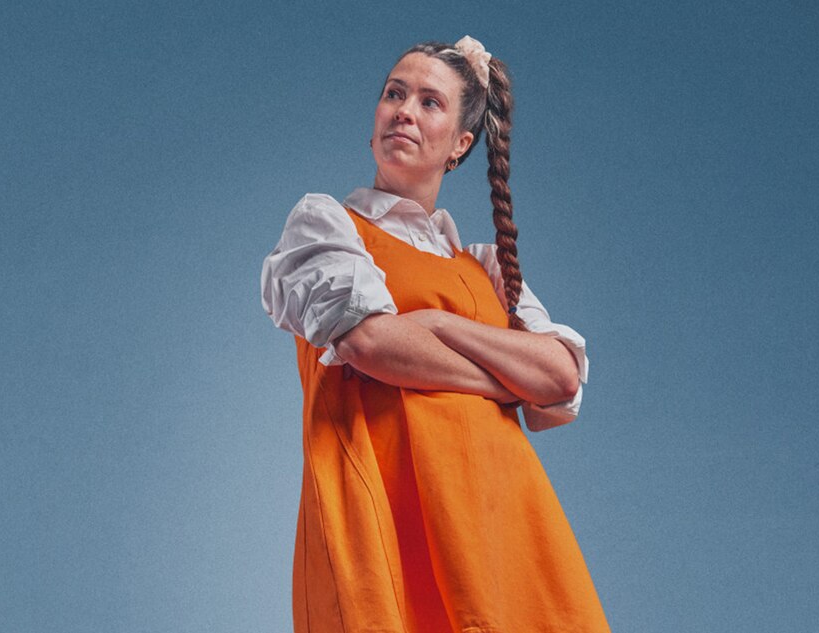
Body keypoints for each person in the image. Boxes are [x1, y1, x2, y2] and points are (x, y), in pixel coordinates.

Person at [259, 36, 610, 632]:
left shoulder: (489, 265)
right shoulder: (327, 226)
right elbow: (371, 344)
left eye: (429, 102)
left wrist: (441, 324)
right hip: (386, 516)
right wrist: (504, 382)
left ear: (461, 144)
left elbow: (560, 378)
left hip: (504, 528)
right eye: (395, 93)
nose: (404, 111)